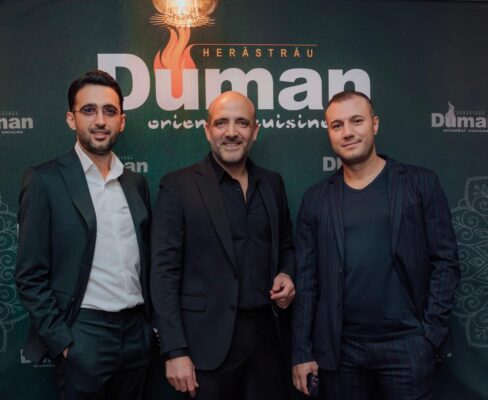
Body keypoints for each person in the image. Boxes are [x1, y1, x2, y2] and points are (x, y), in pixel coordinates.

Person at [292, 90, 460, 399]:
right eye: (337, 125)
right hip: (341, 352)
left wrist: (430, 335)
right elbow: (306, 280)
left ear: (375, 124)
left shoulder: (420, 183)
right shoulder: (315, 199)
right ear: (329, 132)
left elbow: (445, 262)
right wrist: (302, 351)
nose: (347, 132)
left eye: (356, 121)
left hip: (408, 345)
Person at [15, 70, 153, 400]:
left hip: (137, 334)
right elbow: (29, 275)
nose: (100, 120)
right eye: (89, 110)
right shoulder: (45, 180)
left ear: (122, 121)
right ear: (71, 118)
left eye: (110, 111)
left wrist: (150, 329)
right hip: (84, 334)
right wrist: (63, 341)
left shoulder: (135, 183)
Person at [151, 91, 296, 399]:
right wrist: (175, 350)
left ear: (255, 131)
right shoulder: (178, 186)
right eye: (221, 123)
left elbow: (286, 245)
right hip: (205, 346)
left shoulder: (272, 183)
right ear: (208, 130)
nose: (231, 132)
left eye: (242, 123)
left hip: (268, 341)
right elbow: (163, 273)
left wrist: (286, 273)